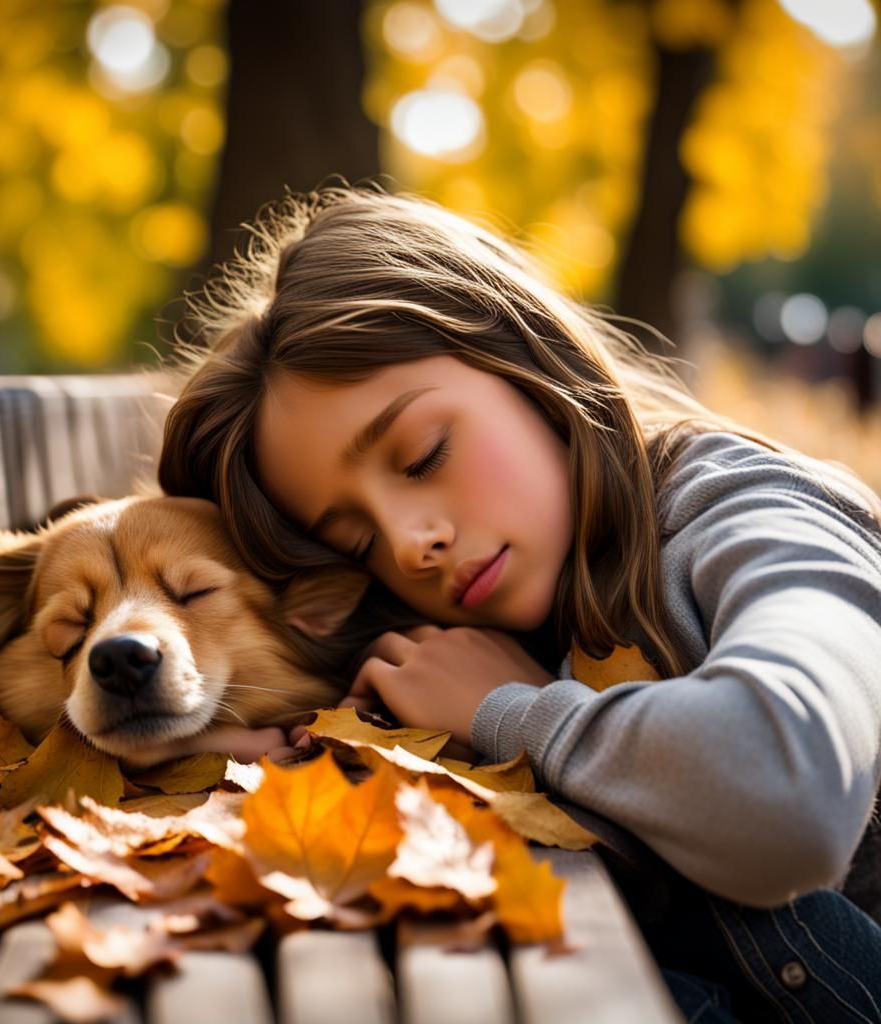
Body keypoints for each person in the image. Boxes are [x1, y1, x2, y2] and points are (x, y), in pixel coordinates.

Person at [157, 183, 881, 1022]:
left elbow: (786, 790)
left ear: (523, 357)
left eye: (423, 454)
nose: (405, 543)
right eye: (355, 540)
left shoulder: (746, 509)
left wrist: (516, 710)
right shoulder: (475, 624)